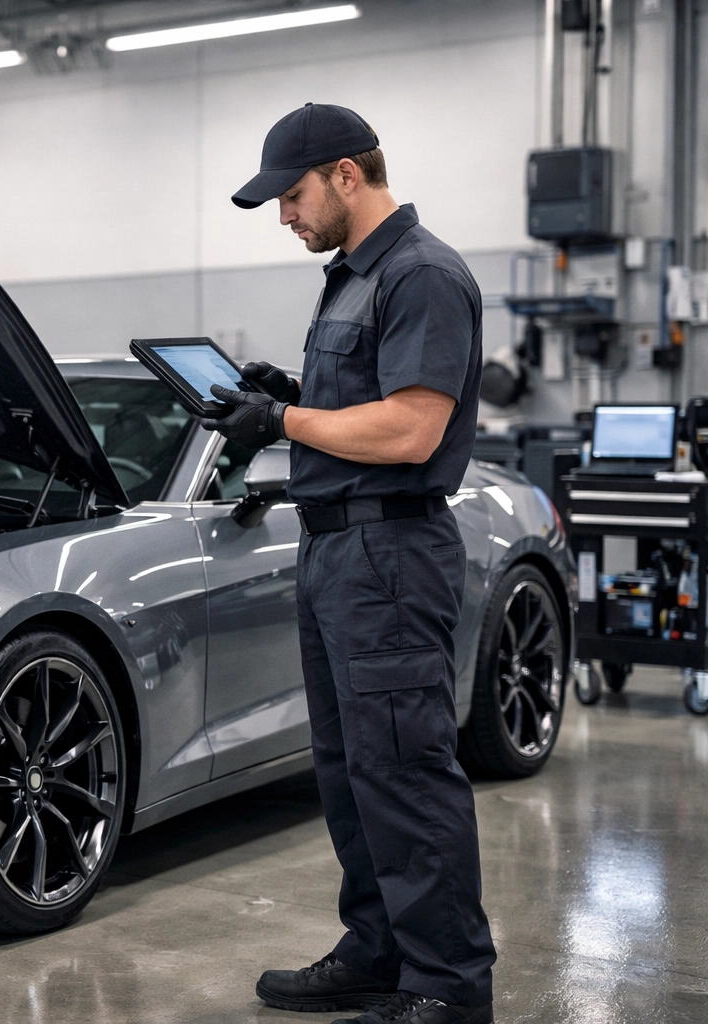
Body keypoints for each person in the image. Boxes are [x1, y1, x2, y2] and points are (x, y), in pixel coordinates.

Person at [200, 103, 495, 1024]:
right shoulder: (352, 279)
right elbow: (366, 404)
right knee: (349, 768)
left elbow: (412, 428)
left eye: (291, 196)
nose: (285, 216)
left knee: (405, 767)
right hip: (336, 548)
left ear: (345, 175)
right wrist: (295, 394)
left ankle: (447, 988)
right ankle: (378, 950)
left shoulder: (422, 274)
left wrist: (283, 423)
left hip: (391, 552)